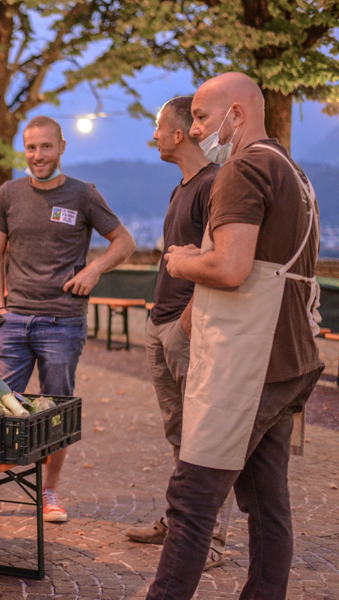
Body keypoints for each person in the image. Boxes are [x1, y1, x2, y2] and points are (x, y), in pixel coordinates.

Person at [146, 72, 323, 600]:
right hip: (292, 358)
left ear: (238, 114)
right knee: (267, 500)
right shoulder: (293, 171)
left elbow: (231, 267)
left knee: (192, 497)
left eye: (201, 116)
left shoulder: (243, 169)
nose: (196, 130)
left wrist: (181, 262)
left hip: (249, 364)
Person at [0, 115, 135, 523]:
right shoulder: (9, 193)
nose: (38, 156)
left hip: (62, 322)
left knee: (57, 412)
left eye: (46, 147)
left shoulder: (84, 195)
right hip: (13, 321)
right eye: (31, 148)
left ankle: (49, 492)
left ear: (62, 147)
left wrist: (94, 270)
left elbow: (125, 241)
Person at [124, 96, 231, 570]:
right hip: (161, 322)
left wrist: (189, 314)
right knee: (178, 433)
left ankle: (210, 540)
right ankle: (181, 520)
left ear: (181, 132)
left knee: (204, 436)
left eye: (159, 126)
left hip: (186, 327)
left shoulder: (214, 185)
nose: (154, 134)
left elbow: (221, 258)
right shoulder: (180, 187)